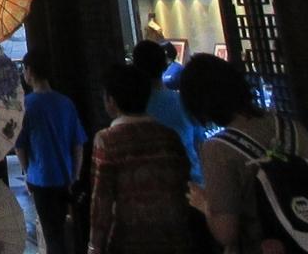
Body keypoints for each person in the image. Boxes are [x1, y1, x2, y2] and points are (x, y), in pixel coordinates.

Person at [181, 54, 308, 254]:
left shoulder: (218, 149)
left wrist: (203, 203)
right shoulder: (292, 128)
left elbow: (226, 232)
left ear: (199, 104)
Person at [88, 63, 193, 254]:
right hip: (173, 237)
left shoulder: (106, 140)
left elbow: (101, 200)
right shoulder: (169, 136)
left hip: (128, 240)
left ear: (111, 101)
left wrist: (95, 246)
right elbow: (183, 182)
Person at [16, 49, 87, 254]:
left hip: (40, 179)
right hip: (65, 177)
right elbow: (78, 144)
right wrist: (75, 174)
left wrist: (27, 171)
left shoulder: (27, 106)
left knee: (51, 234)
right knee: (64, 230)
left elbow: (20, 145)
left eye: (24, 70)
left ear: (30, 71)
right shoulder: (65, 103)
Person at [133, 40, 205, 184]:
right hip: (192, 182)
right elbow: (200, 145)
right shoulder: (184, 101)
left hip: (152, 186)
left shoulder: (134, 107)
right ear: (165, 65)